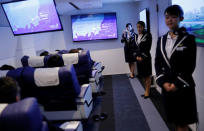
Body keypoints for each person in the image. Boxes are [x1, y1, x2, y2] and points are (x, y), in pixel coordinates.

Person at [155, 5, 198, 131]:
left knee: (182, 123)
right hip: (167, 87)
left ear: (181, 18)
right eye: (167, 17)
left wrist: (176, 84)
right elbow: (158, 63)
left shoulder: (189, 39)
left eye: (174, 17)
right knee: (173, 120)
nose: (170, 20)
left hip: (182, 87)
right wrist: (163, 83)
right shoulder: (161, 40)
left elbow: (190, 65)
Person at [134, 21, 152, 98]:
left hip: (146, 58)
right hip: (138, 59)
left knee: (147, 75)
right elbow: (135, 47)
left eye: (140, 27)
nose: (139, 28)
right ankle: (146, 90)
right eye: (137, 27)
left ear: (143, 27)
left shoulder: (148, 35)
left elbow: (148, 48)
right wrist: (136, 56)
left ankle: (148, 92)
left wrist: (142, 56)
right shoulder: (136, 36)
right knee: (143, 76)